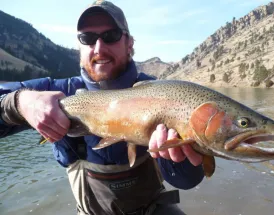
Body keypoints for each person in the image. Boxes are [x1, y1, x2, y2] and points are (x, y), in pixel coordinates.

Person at [0, 1, 205, 214]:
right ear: (78, 46)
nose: (99, 48)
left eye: (111, 36)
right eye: (87, 38)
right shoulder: (56, 93)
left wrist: (177, 159)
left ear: (129, 43)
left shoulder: (161, 95)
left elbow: (186, 181)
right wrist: (18, 103)